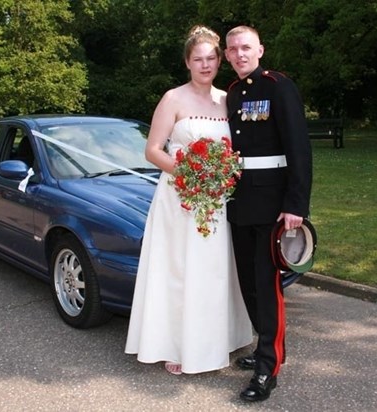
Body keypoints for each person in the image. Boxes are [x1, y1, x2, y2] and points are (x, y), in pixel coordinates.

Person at [125, 25, 252, 375]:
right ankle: (176, 342)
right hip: (180, 198)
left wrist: (219, 177)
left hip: (217, 200)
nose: (205, 64)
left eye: (211, 58)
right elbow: (152, 150)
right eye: (198, 59)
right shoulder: (173, 99)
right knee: (180, 270)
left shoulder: (227, 100)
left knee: (213, 271)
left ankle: (216, 339)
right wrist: (190, 177)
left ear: (219, 61)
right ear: (187, 62)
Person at [224, 26, 312, 401]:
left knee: (266, 285)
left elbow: (298, 146)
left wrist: (296, 204)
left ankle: (266, 369)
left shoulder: (278, 86)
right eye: (233, 49)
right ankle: (268, 348)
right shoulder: (231, 93)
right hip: (239, 201)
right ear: (227, 55)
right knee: (247, 284)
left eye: (246, 47)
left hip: (273, 205)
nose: (240, 54)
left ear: (260, 49)